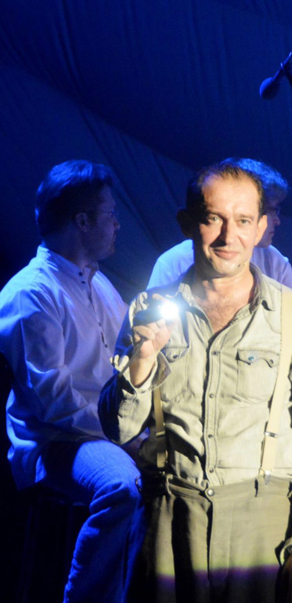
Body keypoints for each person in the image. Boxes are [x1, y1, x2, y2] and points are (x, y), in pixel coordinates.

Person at [99, 159, 292, 603]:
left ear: (261, 227)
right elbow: (119, 429)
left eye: (243, 221)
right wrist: (142, 360)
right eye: (214, 219)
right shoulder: (148, 309)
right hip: (168, 520)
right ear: (187, 223)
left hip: (261, 530)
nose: (229, 237)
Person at [0, 160, 141, 603]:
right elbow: (55, 404)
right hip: (57, 442)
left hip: (105, 430)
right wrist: (125, 434)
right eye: (110, 214)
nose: (117, 224)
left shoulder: (100, 285)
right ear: (82, 221)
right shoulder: (32, 293)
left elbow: (128, 364)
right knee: (122, 484)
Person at [147, 158, 292, 296]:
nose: (276, 221)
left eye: (242, 220)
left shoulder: (273, 260)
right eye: (272, 210)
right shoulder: (173, 264)